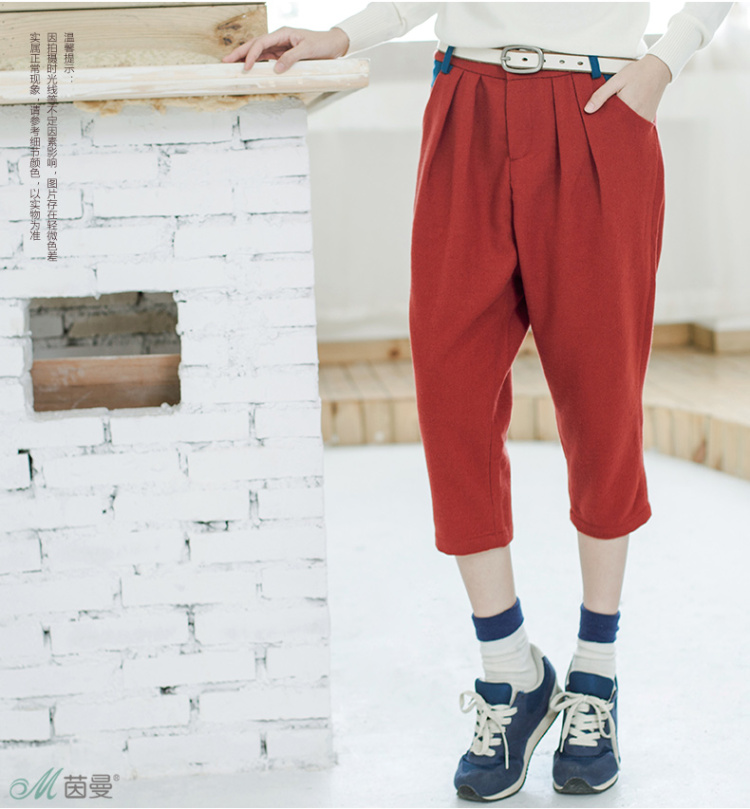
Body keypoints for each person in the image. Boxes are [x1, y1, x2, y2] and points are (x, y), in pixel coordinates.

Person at [223, 2, 733, 801]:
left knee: (603, 409)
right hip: (468, 104)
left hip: (599, 107)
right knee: (451, 402)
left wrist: (665, 62)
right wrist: (340, 34)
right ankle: (510, 671)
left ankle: (595, 674)